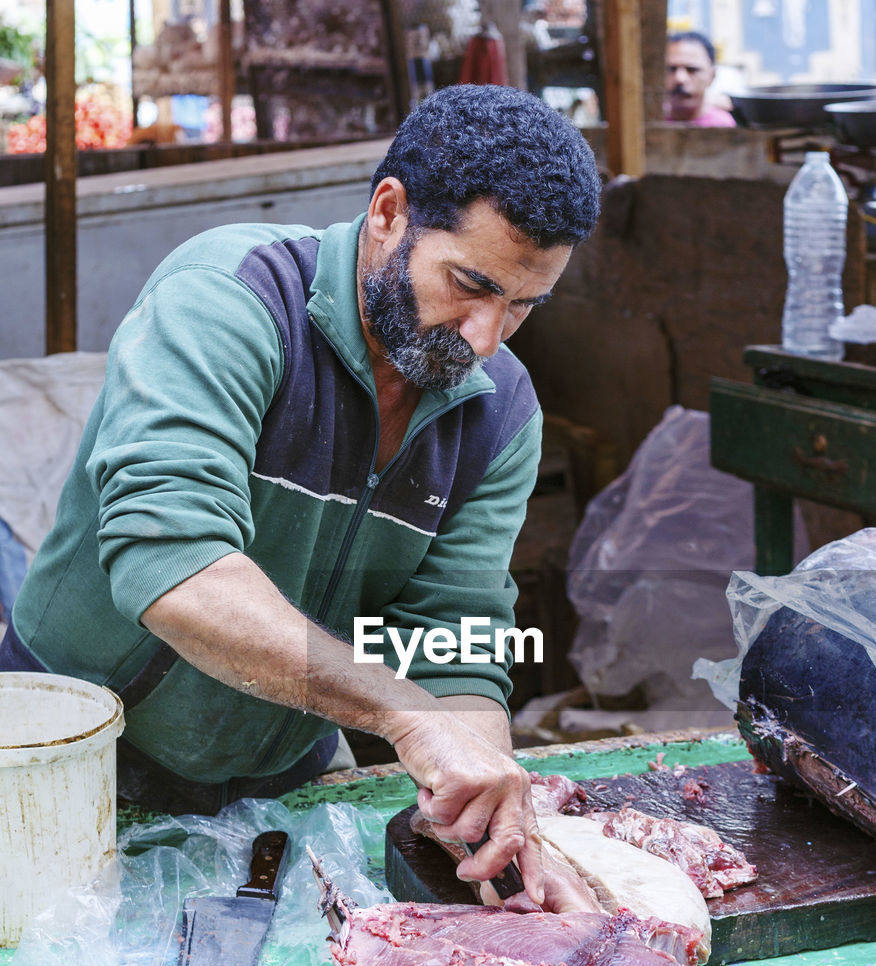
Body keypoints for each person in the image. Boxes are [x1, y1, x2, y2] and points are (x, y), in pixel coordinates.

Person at [1, 85, 600, 903]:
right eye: (469, 282)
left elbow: (453, 631)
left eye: (523, 305)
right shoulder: (231, 297)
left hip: (277, 780)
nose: (485, 337)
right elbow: (172, 562)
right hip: (69, 754)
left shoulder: (503, 413)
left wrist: (483, 790)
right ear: (389, 212)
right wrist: (407, 717)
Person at [664, 31, 736, 126]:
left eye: (692, 70)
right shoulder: (648, 119)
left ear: (712, 75)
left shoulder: (722, 125)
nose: (680, 78)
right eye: (671, 69)